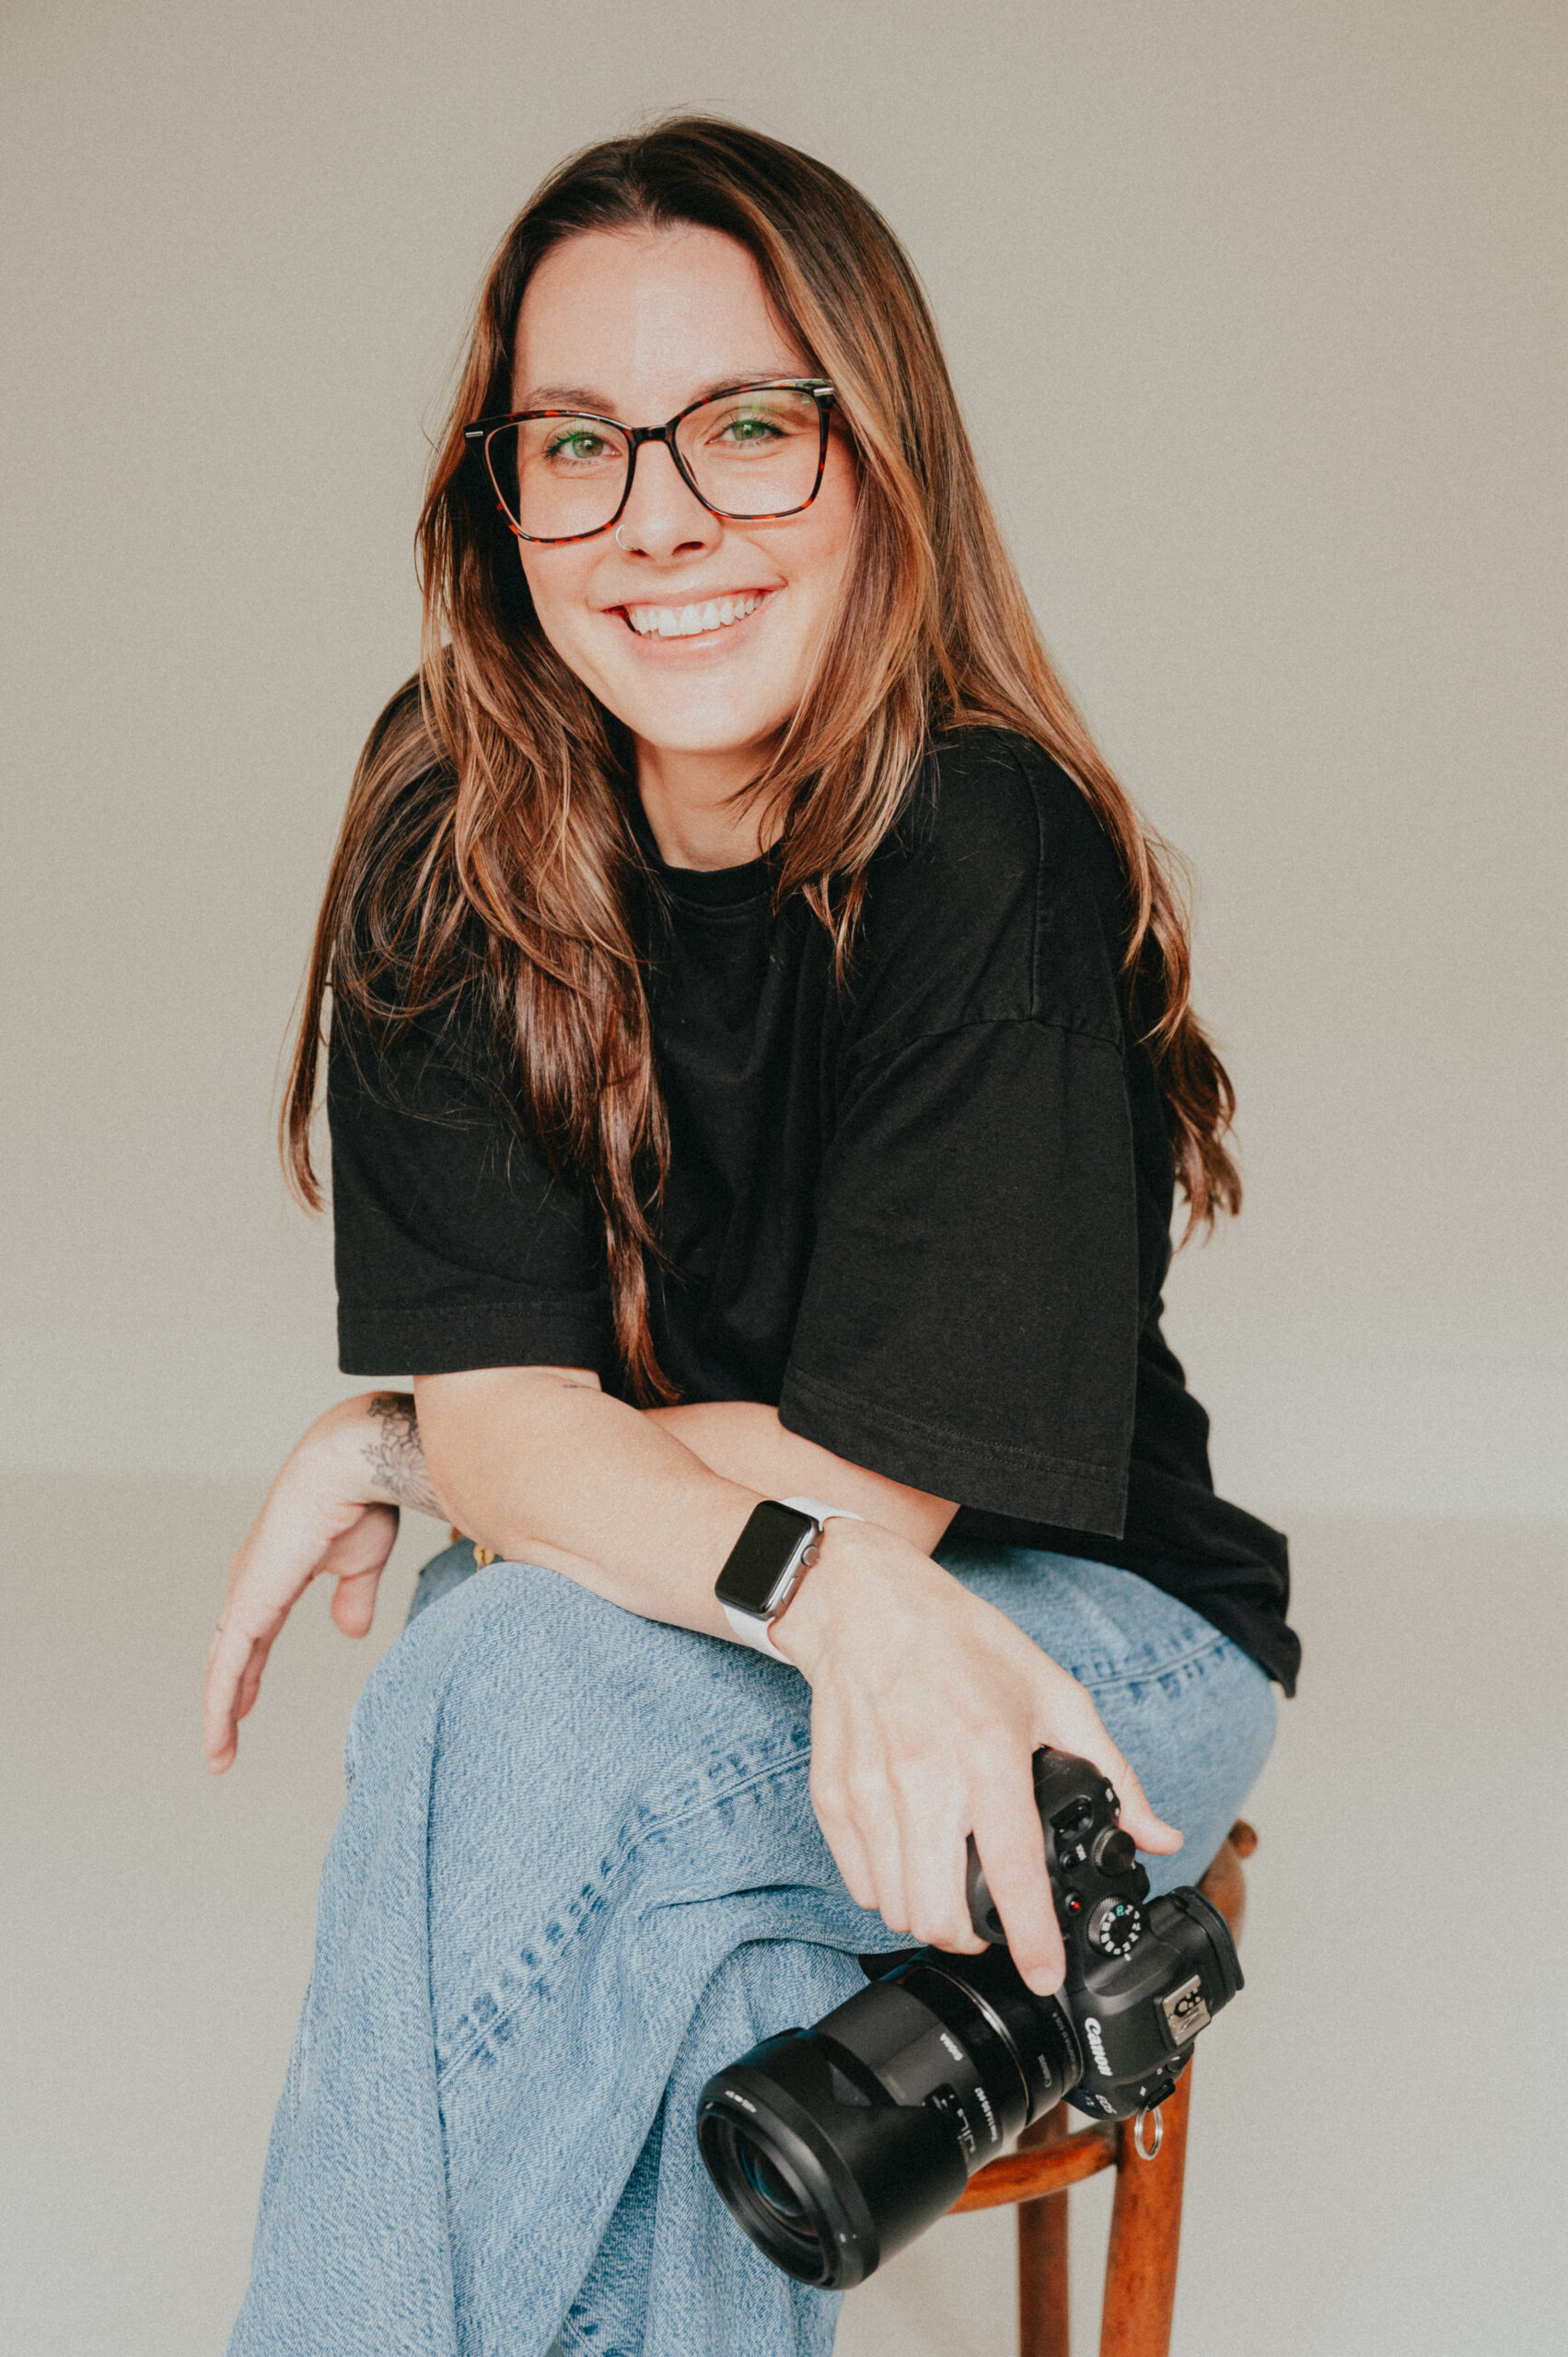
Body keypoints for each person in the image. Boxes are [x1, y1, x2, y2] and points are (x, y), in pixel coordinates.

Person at [204, 117, 1296, 2357]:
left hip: (1096, 1630)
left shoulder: (983, 836)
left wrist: (477, 1462)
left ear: (874, 455)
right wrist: (487, 1454)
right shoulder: (458, 809)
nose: (662, 517)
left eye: (749, 428)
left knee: (496, 1672)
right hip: (742, 1594)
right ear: (500, 499)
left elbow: (863, 1491)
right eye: (578, 443)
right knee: (707, 1928)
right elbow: (531, 1443)